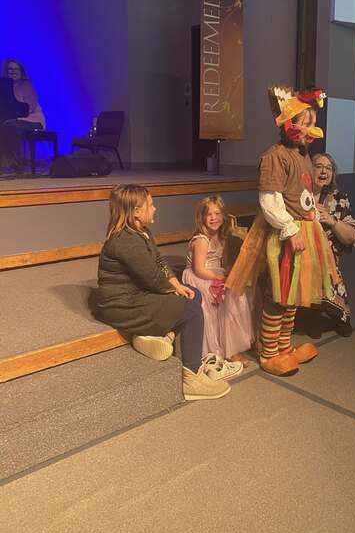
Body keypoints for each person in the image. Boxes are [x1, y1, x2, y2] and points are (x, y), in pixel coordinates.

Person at [226, 85, 339, 376]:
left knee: (294, 298)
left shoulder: (303, 155)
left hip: (305, 229)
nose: (310, 130)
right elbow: (270, 200)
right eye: (305, 123)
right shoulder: (274, 156)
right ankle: (269, 353)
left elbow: (303, 193)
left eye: (312, 123)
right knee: (279, 296)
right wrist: (290, 229)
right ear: (289, 123)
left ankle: (285, 347)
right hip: (286, 233)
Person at [95, 184, 230, 401]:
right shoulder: (126, 241)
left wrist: (176, 284)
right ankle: (192, 379)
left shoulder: (142, 232)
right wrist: (173, 290)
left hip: (137, 294)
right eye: (151, 205)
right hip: (122, 305)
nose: (155, 208)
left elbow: (159, 261)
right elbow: (152, 278)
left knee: (193, 293)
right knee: (191, 311)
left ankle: (160, 333)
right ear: (137, 212)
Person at [182, 195, 255, 375]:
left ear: (223, 215)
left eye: (217, 213)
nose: (213, 218)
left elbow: (222, 262)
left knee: (237, 292)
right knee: (221, 299)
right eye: (209, 214)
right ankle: (218, 351)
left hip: (215, 273)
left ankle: (231, 348)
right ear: (202, 218)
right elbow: (199, 269)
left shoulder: (221, 237)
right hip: (199, 277)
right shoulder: (201, 240)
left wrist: (231, 273)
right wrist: (219, 278)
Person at [295, 152, 355, 337]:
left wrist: (332, 221)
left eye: (328, 168)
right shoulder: (298, 196)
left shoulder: (339, 198)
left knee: (327, 271)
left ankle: (338, 315)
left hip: (328, 259)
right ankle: (312, 314)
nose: (324, 171)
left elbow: (351, 236)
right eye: (318, 166)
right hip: (302, 254)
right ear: (310, 170)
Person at [0, 59, 46, 171]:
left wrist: (13, 115)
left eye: (16, 69)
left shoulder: (26, 85)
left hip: (33, 120)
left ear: (21, 71)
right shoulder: (4, 87)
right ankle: (6, 161)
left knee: (10, 127)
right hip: (13, 120)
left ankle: (16, 161)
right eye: (10, 69)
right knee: (6, 126)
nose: (13, 71)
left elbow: (31, 106)